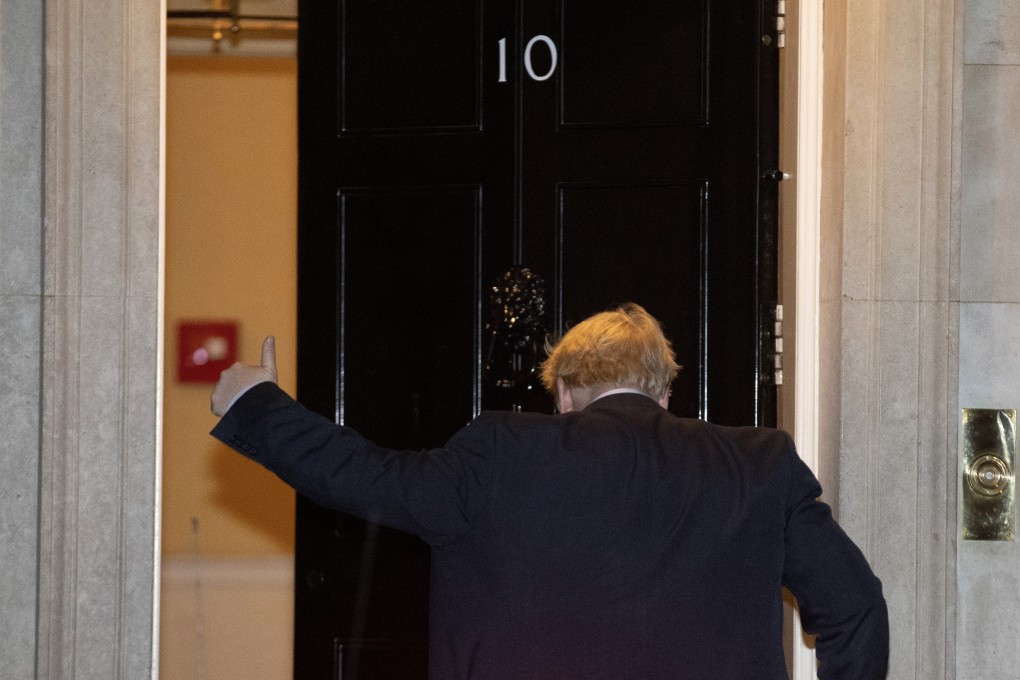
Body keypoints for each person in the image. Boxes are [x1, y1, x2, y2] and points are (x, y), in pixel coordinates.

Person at [210, 303, 889, 680]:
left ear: (563, 393)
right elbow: (854, 607)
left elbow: (368, 477)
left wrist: (260, 408)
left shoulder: (500, 452)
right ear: (665, 390)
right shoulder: (758, 464)